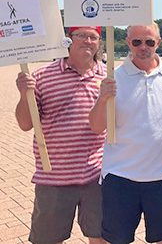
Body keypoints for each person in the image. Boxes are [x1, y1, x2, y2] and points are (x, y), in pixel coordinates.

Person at [88, 23, 162, 244]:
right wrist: (103, 98)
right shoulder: (113, 77)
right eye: (136, 42)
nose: (143, 47)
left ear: (158, 43)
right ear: (128, 42)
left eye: (149, 42)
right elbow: (95, 126)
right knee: (115, 239)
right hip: (120, 177)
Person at [15, 26, 106, 244]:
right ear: (68, 40)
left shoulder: (108, 76)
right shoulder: (42, 76)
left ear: (99, 42)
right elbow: (25, 124)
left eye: (93, 37)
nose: (87, 41)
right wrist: (23, 94)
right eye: (81, 35)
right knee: (48, 239)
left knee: (101, 238)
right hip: (53, 176)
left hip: (97, 175)